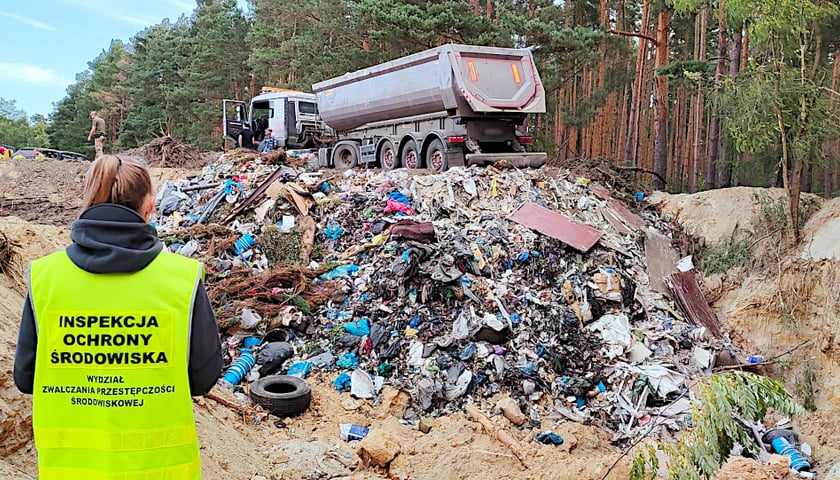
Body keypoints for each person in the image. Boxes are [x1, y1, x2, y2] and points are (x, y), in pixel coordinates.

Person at [14, 154, 222, 480]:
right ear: (150, 205)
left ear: (88, 200)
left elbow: (26, 379)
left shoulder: (45, 277)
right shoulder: (181, 278)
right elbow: (203, 378)